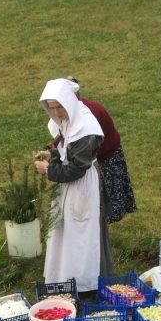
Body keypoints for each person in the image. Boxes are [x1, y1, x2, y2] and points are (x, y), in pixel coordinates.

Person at [34, 79, 115, 294]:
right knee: (66, 232)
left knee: (82, 235)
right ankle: (64, 277)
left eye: (59, 107)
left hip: (83, 189)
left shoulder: (86, 129)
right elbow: (69, 149)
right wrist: (52, 154)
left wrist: (49, 170)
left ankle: (85, 283)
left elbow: (78, 168)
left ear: (69, 102)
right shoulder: (71, 120)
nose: (56, 112)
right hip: (71, 188)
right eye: (52, 108)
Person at [54, 79, 137, 224]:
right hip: (93, 157)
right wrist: (53, 149)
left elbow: (80, 147)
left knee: (104, 199)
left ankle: (101, 229)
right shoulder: (71, 112)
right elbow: (65, 134)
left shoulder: (90, 115)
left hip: (106, 157)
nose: (56, 111)